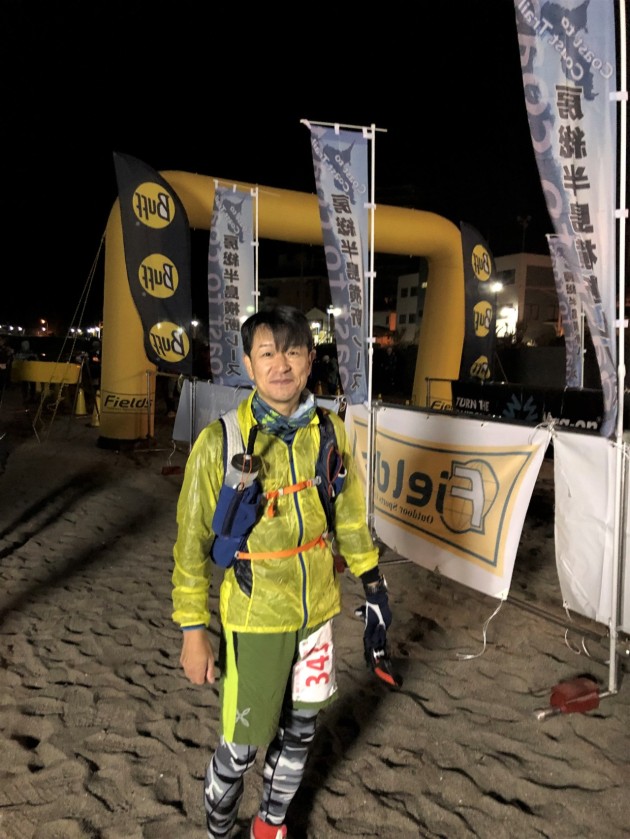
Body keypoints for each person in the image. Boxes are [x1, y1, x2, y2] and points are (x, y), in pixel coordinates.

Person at [172, 305, 393, 839]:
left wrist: (372, 582)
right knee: (242, 747)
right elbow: (190, 546)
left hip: (317, 614)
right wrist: (193, 629)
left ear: (310, 359)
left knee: (300, 733)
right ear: (249, 364)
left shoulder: (330, 431)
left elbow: (349, 518)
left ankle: (269, 827)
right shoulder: (220, 442)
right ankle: (219, 831)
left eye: (293, 351)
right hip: (255, 617)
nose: (281, 365)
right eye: (267, 353)